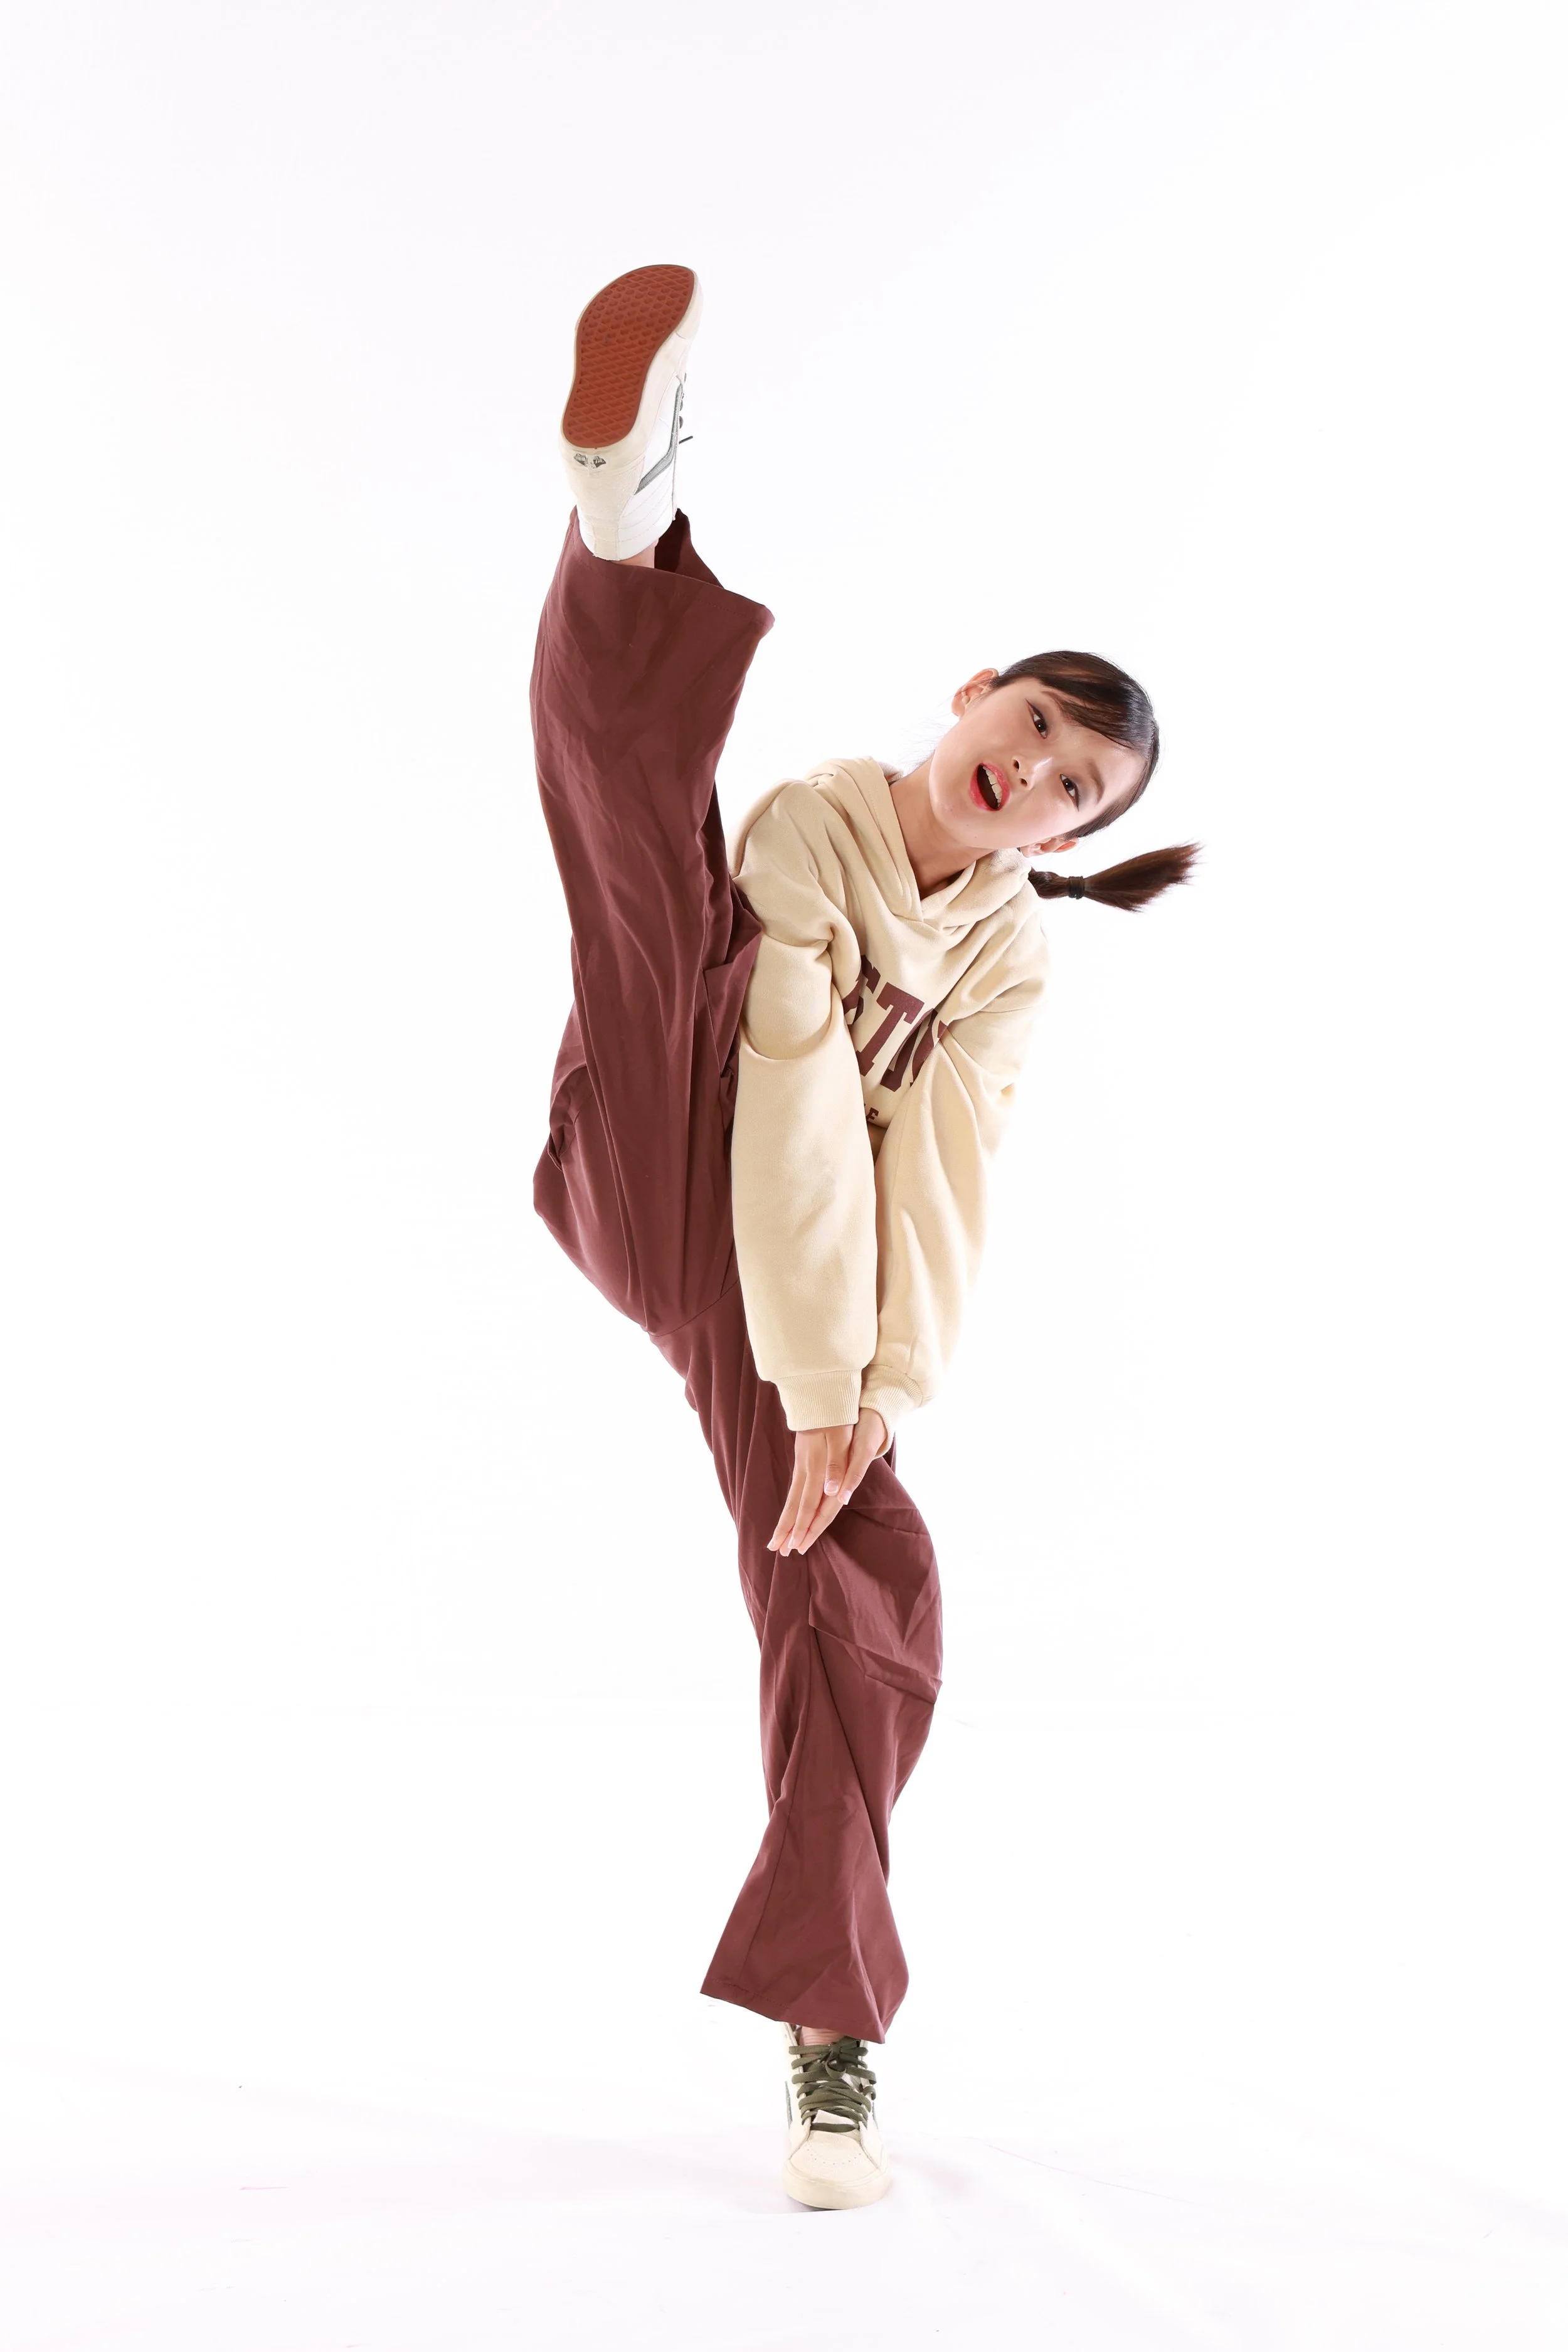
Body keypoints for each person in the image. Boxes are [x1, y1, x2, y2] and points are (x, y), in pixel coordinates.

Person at [530, 263, 1197, 2211]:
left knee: (862, 1573)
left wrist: (869, 1402)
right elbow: (804, 1121)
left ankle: (834, 2038)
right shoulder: (819, 829)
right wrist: (821, 1384)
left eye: (1075, 789)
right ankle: (622, 525)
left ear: (1066, 839)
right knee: (654, 870)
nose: (1036, 773)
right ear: (979, 686)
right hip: (664, 1148)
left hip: (778, 1283)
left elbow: (941, 1197)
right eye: (1038, 724)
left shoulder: (1007, 961)